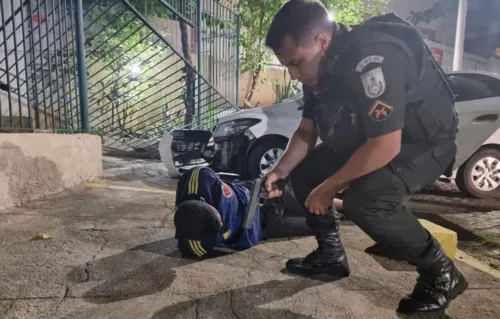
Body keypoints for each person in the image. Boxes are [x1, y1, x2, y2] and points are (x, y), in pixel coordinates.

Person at [262, 0, 466, 317]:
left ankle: (441, 272)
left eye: (295, 63)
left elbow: (385, 144)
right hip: (369, 137)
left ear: (321, 41)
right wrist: (281, 170)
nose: (291, 75)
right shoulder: (316, 69)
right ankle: (331, 255)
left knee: (368, 200)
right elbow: (305, 132)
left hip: (423, 141)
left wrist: (329, 188)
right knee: (303, 176)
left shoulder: (373, 56)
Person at [173, 166, 345, 258]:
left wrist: (263, 192)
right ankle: (344, 213)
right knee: (318, 220)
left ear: (204, 201)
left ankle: (348, 205)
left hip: (265, 196)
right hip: (267, 226)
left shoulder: (199, 178)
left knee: (310, 200)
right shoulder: (194, 245)